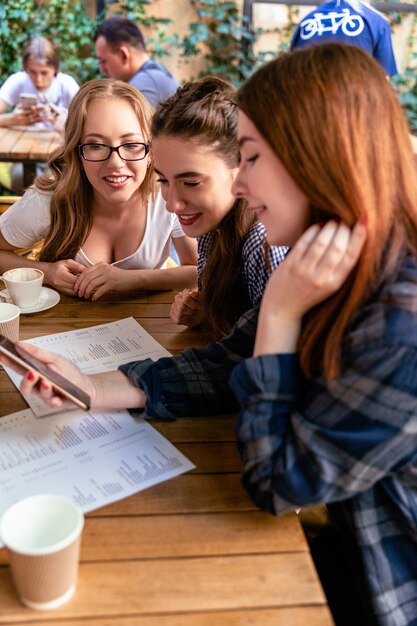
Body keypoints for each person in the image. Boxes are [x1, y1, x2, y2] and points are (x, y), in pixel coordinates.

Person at [4, 44, 417, 625]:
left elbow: (277, 482)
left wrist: (278, 317)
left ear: (317, 160)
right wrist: (95, 387)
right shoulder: (336, 256)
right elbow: (231, 358)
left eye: (249, 159)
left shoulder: (399, 322)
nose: (240, 184)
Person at [0, 78, 197, 298]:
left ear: (150, 152)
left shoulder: (167, 195)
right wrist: (46, 272)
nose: (115, 163)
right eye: (95, 145)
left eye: (131, 145)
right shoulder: (50, 198)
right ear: (77, 151)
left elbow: (198, 271)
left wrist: (129, 280)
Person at [151, 75, 287, 341]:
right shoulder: (214, 225)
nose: (171, 204)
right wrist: (204, 312)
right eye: (163, 180)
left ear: (242, 168)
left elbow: (276, 364)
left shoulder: (264, 242)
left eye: (191, 182)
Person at [290, 0, 397, 76]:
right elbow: (383, 78)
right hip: (357, 101)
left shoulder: (306, 21)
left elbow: (291, 73)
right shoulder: (377, 21)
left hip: (311, 100)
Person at [94, 15, 179, 110]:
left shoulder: (143, 83)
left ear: (123, 55)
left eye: (103, 61)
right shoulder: (155, 76)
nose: (102, 69)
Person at [0, 36, 79, 130]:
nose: (39, 80)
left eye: (44, 73)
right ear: (25, 69)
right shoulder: (18, 81)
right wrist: (12, 119)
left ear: (55, 69)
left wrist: (63, 119)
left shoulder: (66, 84)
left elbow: (87, 121)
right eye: (32, 72)